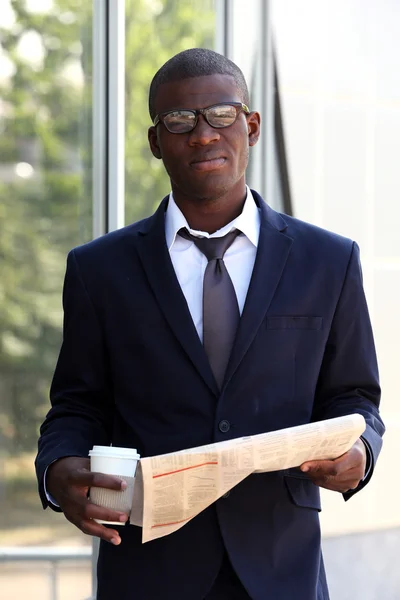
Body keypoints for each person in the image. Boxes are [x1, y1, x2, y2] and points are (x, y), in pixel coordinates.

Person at [35, 48, 384, 600]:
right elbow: (77, 406)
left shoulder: (329, 260)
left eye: (221, 114)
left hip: (281, 569)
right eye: (179, 120)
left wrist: (360, 453)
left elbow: (356, 396)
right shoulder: (98, 270)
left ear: (251, 126)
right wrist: (56, 473)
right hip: (148, 571)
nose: (202, 135)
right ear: (155, 142)